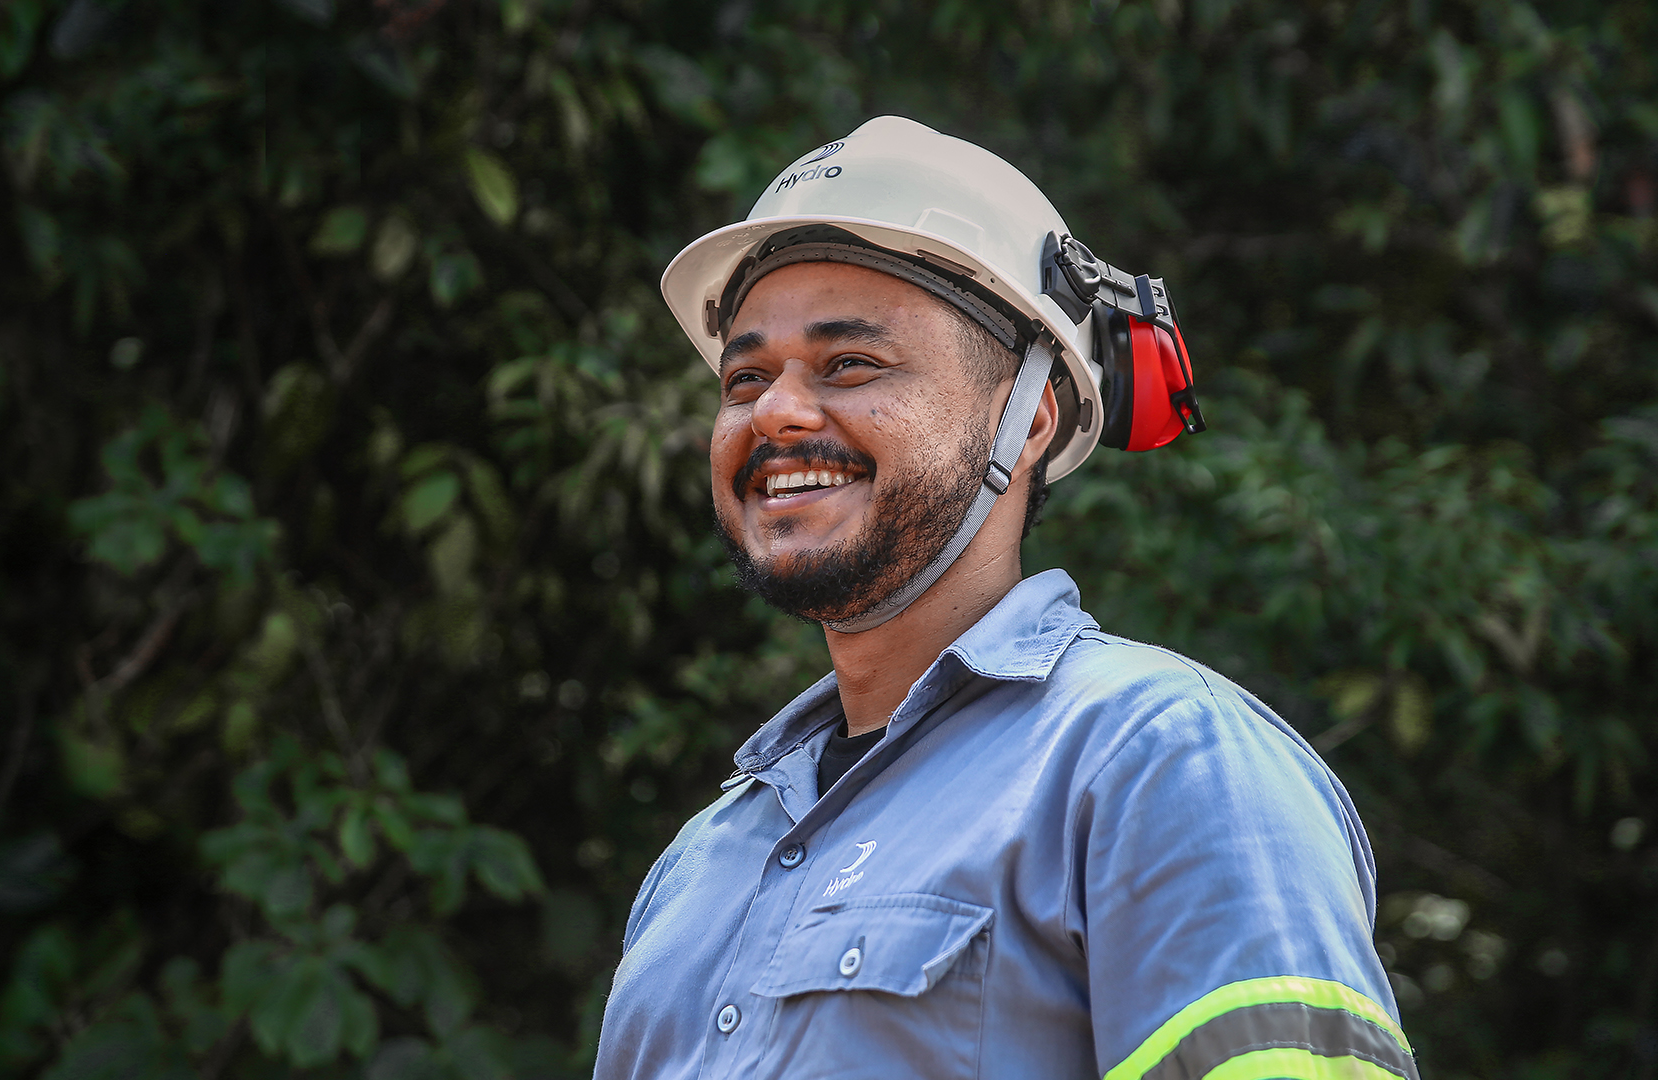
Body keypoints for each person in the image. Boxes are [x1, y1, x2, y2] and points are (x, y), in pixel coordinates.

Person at [592, 116, 1414, 1080]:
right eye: (745, 377)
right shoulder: (700, 866)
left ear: (1027, 422)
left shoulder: (1154, 760)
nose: (774, 411)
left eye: (849, 364)